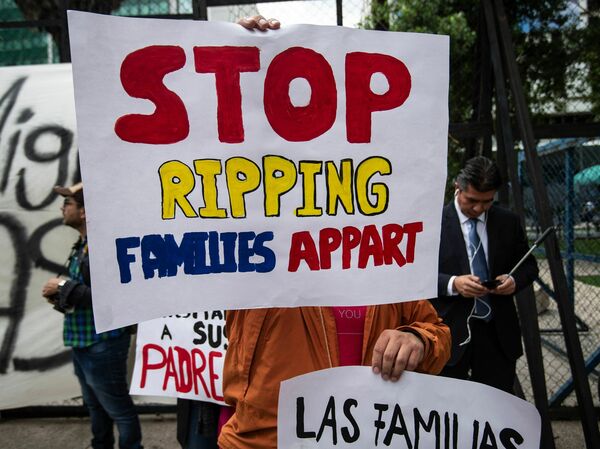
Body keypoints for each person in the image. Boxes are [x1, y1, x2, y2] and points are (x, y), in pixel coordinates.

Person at [42, 183, 143, 449]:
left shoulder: (102, 246)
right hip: (85, 341)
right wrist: (63, 292)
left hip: (104, 343)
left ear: (85, 212)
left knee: (118, 408)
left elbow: (107, 296)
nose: (62, 209)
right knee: (96, 407)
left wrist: (63, 287)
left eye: (69, 205)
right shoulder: (84, 244)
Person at [430, 156, 538, 394]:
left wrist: (513, 280)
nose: (479, 208)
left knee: (497, 405)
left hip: (497, 333)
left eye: (487, 201)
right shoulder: (431, 223)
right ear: (457, 186)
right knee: (446, 404)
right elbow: (414, 275)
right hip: (448, 330)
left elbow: (528, 265)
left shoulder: (508, 222)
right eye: (472, 200)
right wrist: (453, 283)